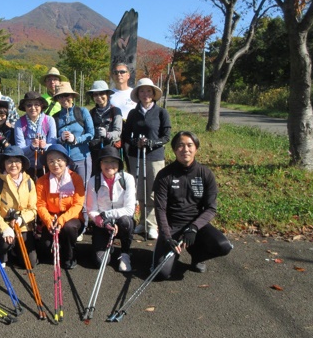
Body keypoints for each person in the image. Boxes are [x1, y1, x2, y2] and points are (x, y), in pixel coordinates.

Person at [152, 131, 233, 279]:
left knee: (223, 246)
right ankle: (166, 251)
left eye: (190, 145)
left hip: (196, 225)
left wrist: (194, 227)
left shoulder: (205, 174)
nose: (185, 150)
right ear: (175, 149)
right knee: (161, 273)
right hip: (172, 226)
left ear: (196, 148)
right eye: (180, 146)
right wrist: (167, 236)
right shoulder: (164, 175)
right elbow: (160, 209)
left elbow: (210, 208)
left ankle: (197, 256)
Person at [122, 78, 171, 240]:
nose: (145, 94)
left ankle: (153, 224)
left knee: (153, 191)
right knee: (139, 190)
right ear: (138, 94)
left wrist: (152, 143)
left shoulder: (161, 112)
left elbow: (166, 136)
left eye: (148, 91)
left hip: (154, 156)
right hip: (136, 156)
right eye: (142, 91)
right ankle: (142, 221)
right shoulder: (133, 113)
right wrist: (136, 142)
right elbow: (126, 136)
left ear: (153, 93)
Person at [0, 146, 38, 268]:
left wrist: (21, 219)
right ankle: (1, 253)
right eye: (9, 161)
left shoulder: (29, 181)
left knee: (31, 263)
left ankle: (14, 249)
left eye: (17, 161)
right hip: (1, 224)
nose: (13, 164)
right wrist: (4, 228)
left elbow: (33, 209)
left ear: (22, 164)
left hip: (22, 224)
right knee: (4, 244)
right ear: (4, 163)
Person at [86, 146, 136, 272]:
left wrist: (106, 214)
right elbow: (91, 210)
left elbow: (130, 209)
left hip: (121, 220)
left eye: (113, 161)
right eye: (105, 161)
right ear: (100, 164)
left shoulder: (127, 179)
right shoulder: (93, 181)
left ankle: (125, 253)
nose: (110, 165)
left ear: (119, 164)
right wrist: (104, 222)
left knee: (126, 221)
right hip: (102, 224)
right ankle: (109, 246)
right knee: (100, 262)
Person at [36, 145, 85, 270]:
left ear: (65, 161)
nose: (55, 164)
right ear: (47, 163)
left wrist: (62, 220)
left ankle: (70, 255)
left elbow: (78, 204)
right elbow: (40, 205)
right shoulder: (42, 181)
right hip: (51, 218)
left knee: (68, 228)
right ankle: (60, 244)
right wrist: (48, 221)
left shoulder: (75, 178)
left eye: (59, 160)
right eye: (51, 161)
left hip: (71, 218)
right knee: (45, 248)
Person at [51, 82, 95, 188]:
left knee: (83, 189)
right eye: (60, 96)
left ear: (72, 96)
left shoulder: (82, 112)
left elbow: (91, 134)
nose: (63, 99)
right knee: (65, 190)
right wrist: (61, 139)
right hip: (63, 161)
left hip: (82, 158)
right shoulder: (55, 117)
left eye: (66, 95)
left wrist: (76, 139)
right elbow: (53, 139)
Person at [14, 91, 57, 179]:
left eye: (36, 104)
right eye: (29, 105)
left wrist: (44, 146)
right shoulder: (19, 123)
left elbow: (53, 145)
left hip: (47, 166)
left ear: (41, 106)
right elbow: (20, 149)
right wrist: (31, 147)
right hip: (27, 166)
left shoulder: (49, 120)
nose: (33, 108)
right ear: (24, 107)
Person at [86, 80, 123, 168]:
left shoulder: (115, 111)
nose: (98, 97)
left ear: (107, 95)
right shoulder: (91, 113)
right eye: (95, 94)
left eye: (101, 93)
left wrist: (107, 134)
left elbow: (118, 131)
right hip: (95, 150)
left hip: (111, 149)